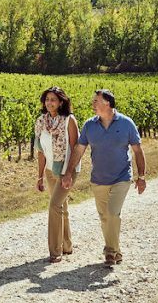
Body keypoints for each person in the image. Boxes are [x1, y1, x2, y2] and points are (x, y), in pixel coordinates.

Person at [62, 89, 146, 266]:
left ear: (107, 103)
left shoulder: (126, 123)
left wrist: (142, 176)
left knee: (112, 214)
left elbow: (138, 150)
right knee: (105, 218)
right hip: (98, 179)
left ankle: (110, 252)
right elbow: (79, 149)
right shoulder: (89, 125)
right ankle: (117, 251)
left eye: (96, 101)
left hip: (122, 178)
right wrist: (68, 172)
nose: (93, 104)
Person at [34, 86, 80, 263]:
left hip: (67, 171)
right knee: (62, 207)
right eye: (47, 100)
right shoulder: (41, 122)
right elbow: (40, 151)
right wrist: (39, 176)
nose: (49, 103)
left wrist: (68, 173)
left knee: (54, 206)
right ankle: (67, 245)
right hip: (50, 171)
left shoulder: (69, 120)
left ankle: (55, 251)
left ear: (61, 102)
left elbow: (76, 148)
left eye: (53, 99)